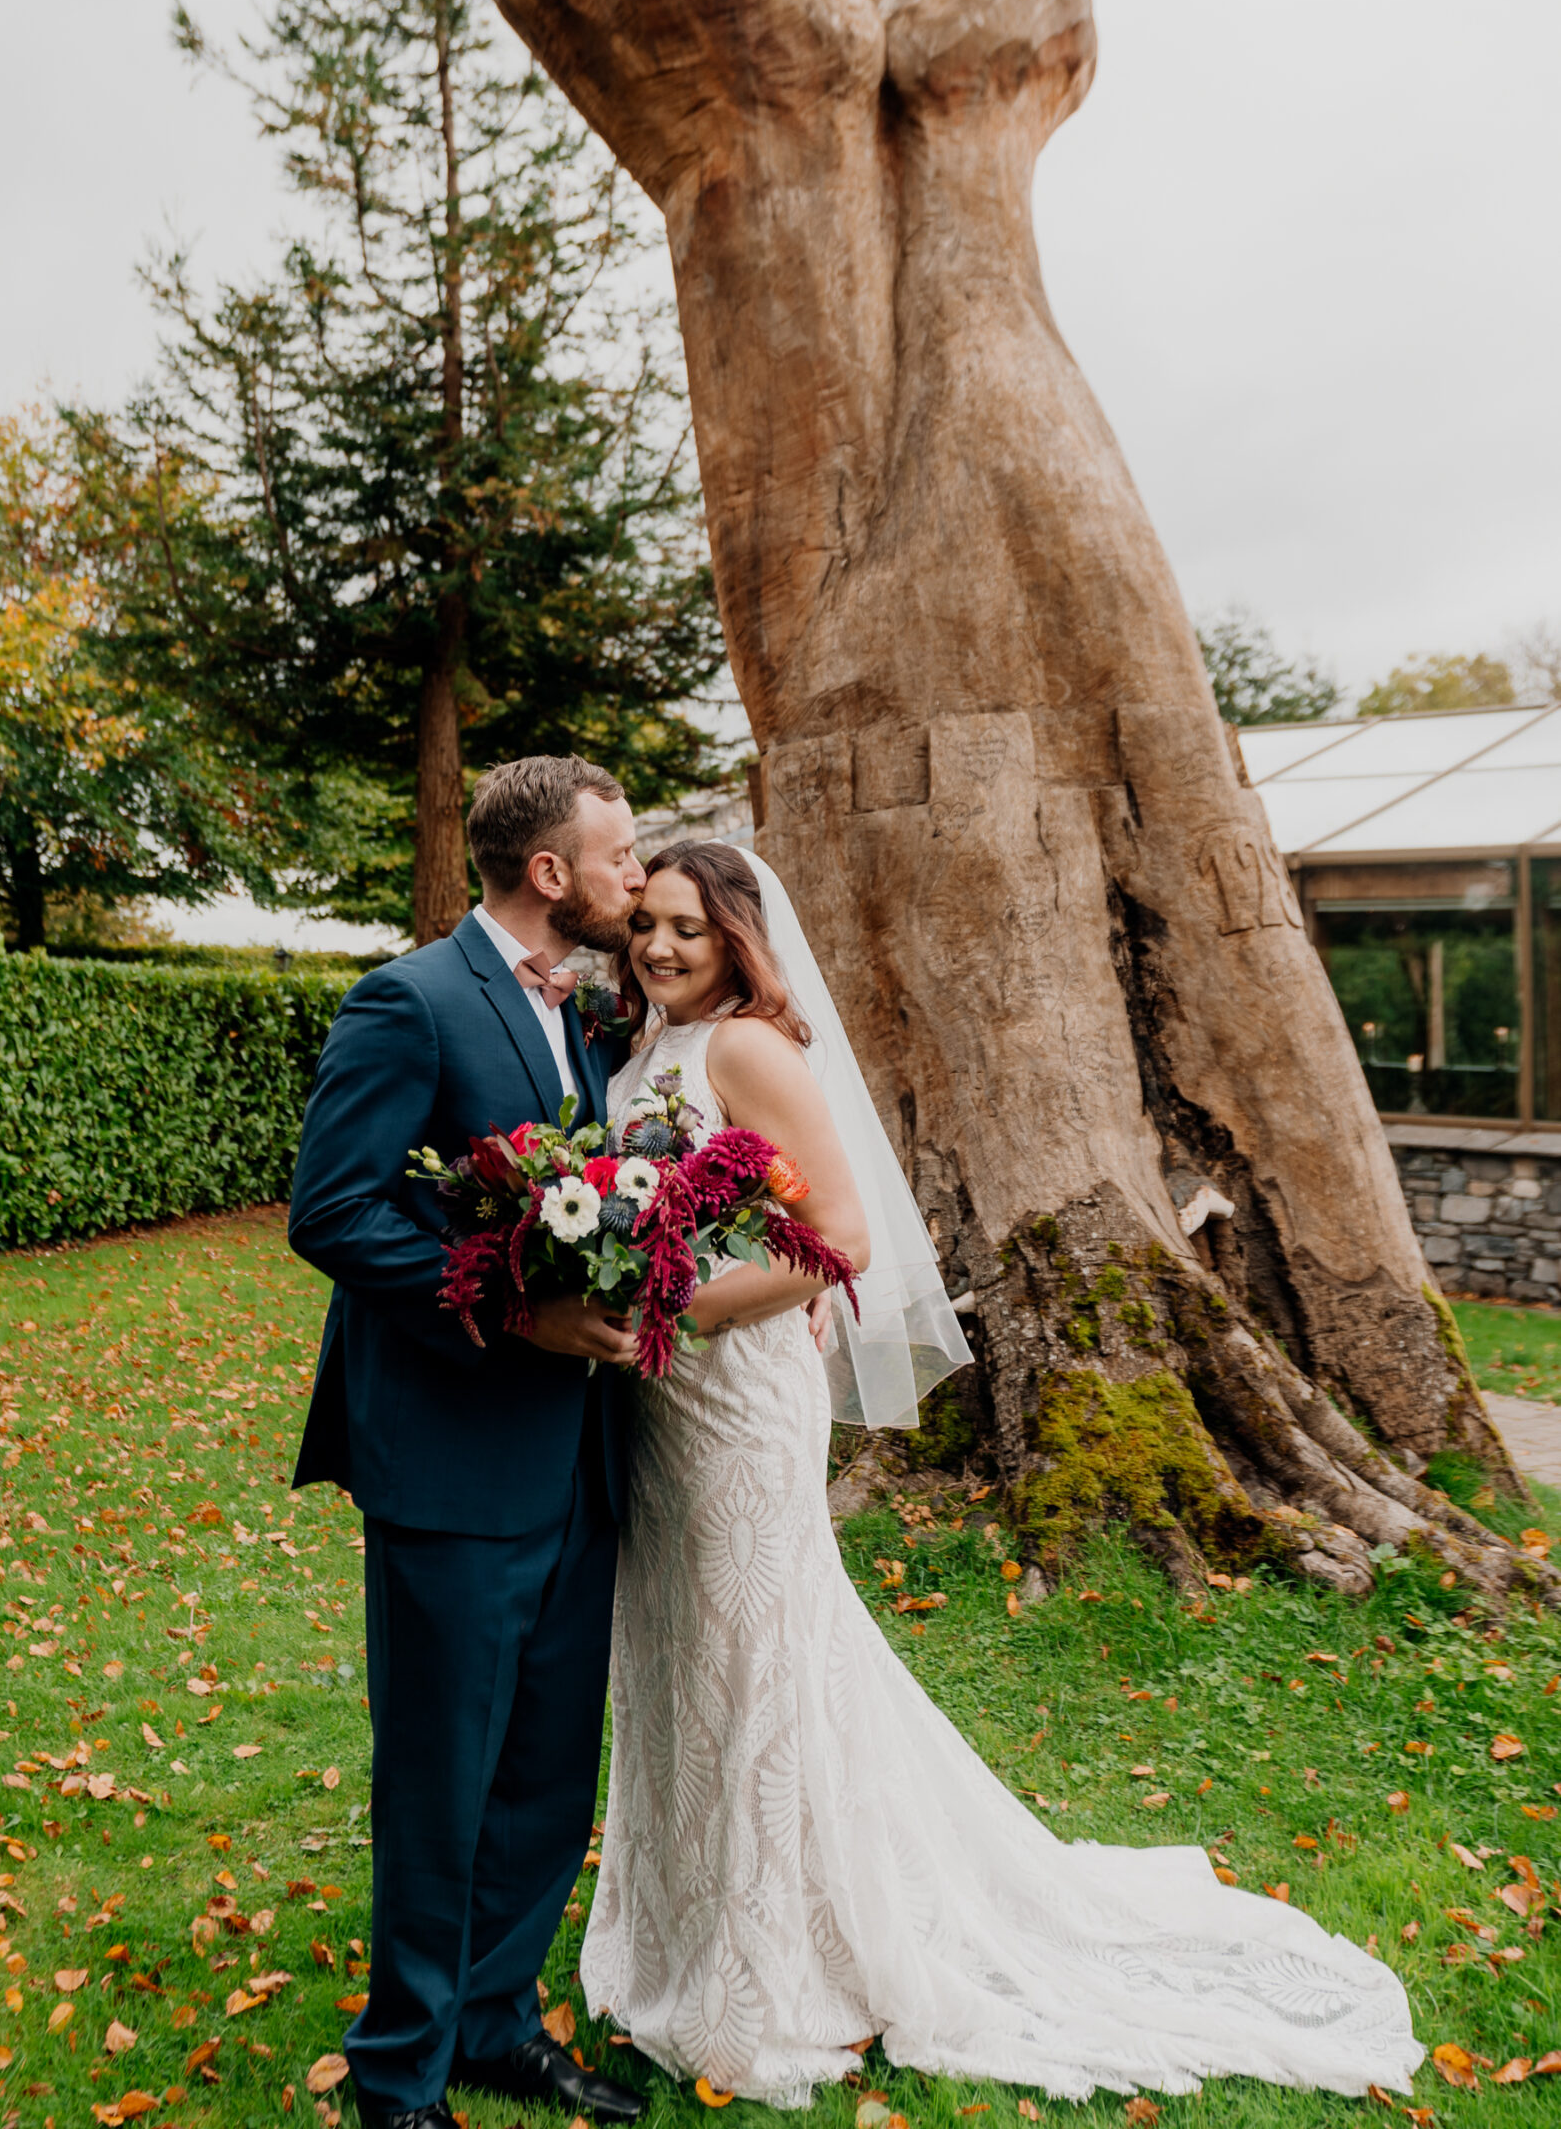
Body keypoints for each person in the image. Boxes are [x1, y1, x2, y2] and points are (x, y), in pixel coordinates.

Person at [579, 839, 1423, 2110]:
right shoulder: (640, 1054)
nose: (659, 947)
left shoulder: (749, 1047)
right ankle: (694, 1923)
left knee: (752, 1649)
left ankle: (771, 1960)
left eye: (689, 928)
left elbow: (843, 1242)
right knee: (683, 1652)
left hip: (732, 1390)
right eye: (646, 923)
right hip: (657, 1406)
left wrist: (681, 1309)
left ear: (741, 935)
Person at [288, 755, 650, 2129]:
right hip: (450, 1453)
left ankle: (498, 2023)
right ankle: (399, 2074)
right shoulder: (408, 1000)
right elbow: (334, 1213)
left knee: (552, 1767)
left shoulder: (602, 1013)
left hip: (586, 1461)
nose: (634, 876)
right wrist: (519, 1316)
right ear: (549, 873)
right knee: (442, 1771)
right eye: (616, 858)